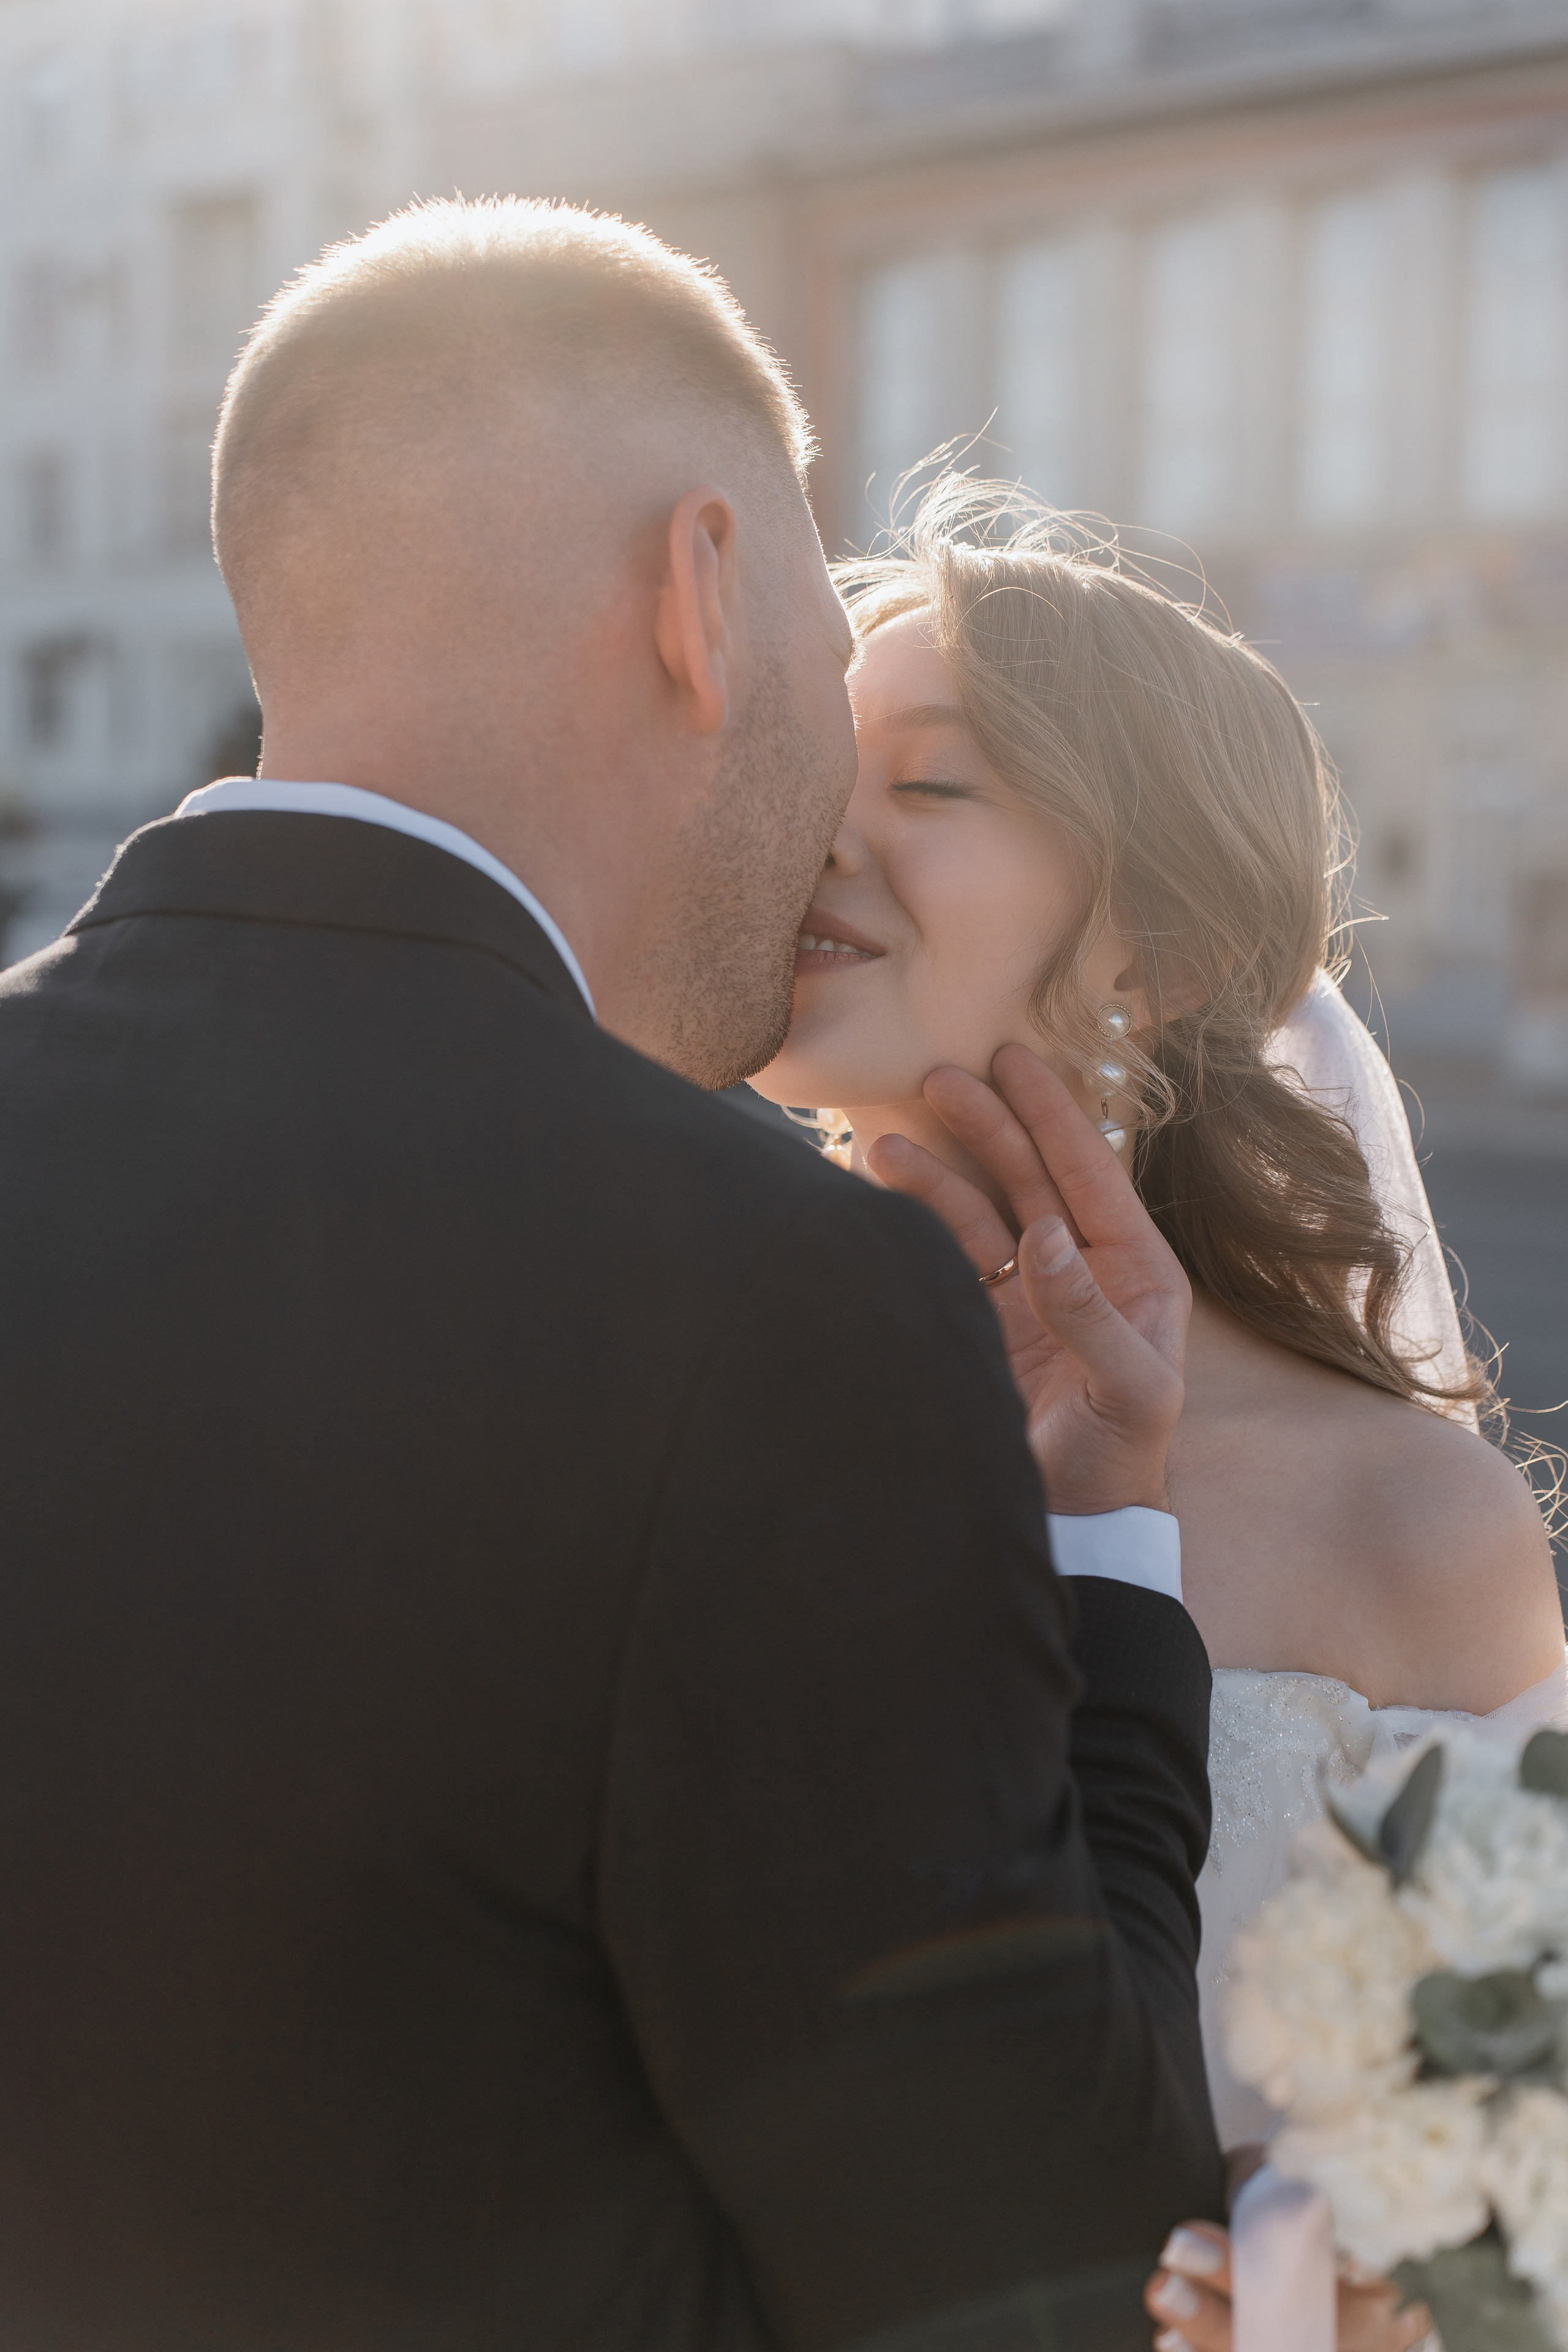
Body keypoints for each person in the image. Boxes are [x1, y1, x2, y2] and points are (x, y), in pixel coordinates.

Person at [0, 202, 1222, 2348]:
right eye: (841, 687)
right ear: (705, 591)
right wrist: (1106, 1547)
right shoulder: (782, 1308)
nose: (835, 786)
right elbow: (1051, 2271)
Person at [750, 478, 1566, 2352]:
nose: (816, 837)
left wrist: (1352, 2309)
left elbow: (1517, 2216)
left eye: (931, 785)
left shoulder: (1407, 1529)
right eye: (813, 767)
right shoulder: (668, 1394)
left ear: (1172, 952)